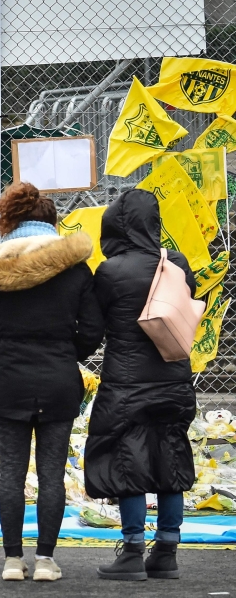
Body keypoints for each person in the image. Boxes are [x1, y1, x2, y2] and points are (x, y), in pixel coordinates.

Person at [0, 182, 104, 582]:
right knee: (51, 474)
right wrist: (66, 353)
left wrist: (1, 350)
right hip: (59, 379)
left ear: (11, 220)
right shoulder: (75, 268)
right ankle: (45, 560)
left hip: (9, 379)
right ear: (51, 222)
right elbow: (93, 329)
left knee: (11, 472)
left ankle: (11, 560)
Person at [84, 189, 197, 581]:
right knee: (171, 458)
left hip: (126, 383)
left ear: (115, 224)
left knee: (127, 461)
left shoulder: (111, 271)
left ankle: (132, 551)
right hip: (175, 379)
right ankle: (166, 551)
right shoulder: (176, 263)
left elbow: (94, 328)